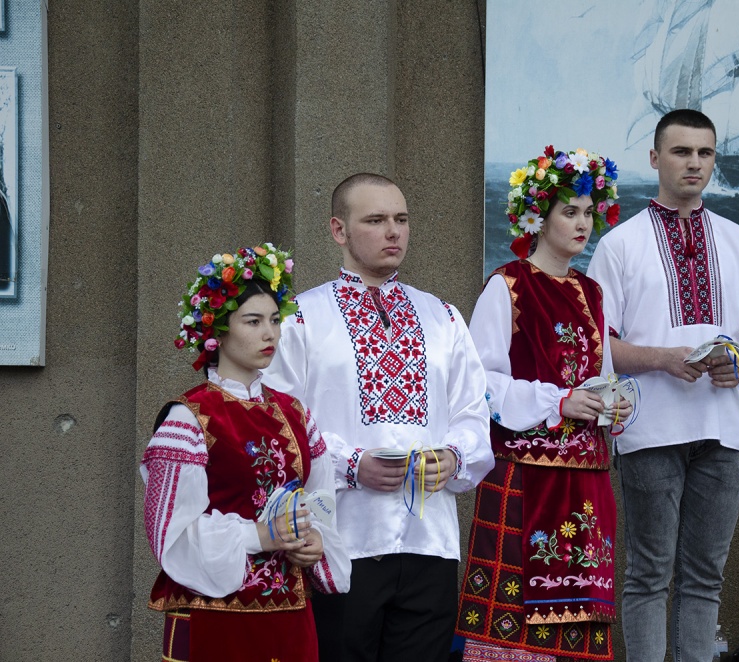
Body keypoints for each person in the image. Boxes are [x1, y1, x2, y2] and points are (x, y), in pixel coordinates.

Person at [263, 173, 494, 662]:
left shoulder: (444, 317)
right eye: (375, 220)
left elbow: (473, 412)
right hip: (340, 539)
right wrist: (350, 464)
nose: (393, 231)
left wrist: (454, 458)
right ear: (338, 230)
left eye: (401, 219)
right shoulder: (300, 318)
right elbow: (279, 423)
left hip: (430, 541)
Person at [586, 110, 739, 662]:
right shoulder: (620, 245)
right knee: (648, 574)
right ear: (654, 158)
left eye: (704, 152)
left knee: (705, 577)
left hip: (725, 431)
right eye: (681, 151)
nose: (694, 162)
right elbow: (599, 343)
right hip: (649, 429)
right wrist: (662, 359)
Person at [455, 146, 633, 662]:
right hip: (526, 474)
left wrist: (612, 405)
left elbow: (600, 377)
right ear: (537, 217)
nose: (582, 224)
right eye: (569, 211)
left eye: (588, 212)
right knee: (517, 616)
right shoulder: (508, 286)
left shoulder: (592, 292)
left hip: (586, 477)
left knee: (580, 611)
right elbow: (480, 381)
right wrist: (558, 401)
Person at [141, 243, 351, 662]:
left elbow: (320, 500)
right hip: (216, 616)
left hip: (290, 616)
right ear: (217, 332)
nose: (270, 333)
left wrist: (313, 542)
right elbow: (169, 534)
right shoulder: (190, 418)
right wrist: (258, 535)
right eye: (253, 321)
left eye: (274, 320)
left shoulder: (295, 413)